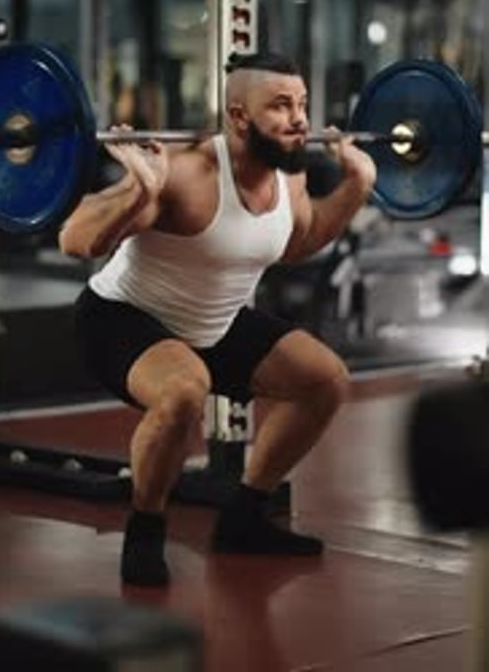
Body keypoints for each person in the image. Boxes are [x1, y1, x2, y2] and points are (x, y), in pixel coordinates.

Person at [59, 51, 377, 588]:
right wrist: (141, 188)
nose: (299, 119)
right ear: (238, 117)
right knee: (186, 391)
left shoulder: (287, 173)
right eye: (280, 106)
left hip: (216, 319)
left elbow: (299, 240)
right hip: (124, 320)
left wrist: (357, 186)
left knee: (324, 380)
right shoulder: (188, 172)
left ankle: (244, 517)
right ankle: (146, 529)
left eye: (301, 104)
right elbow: (74, 240)